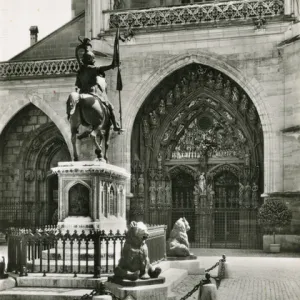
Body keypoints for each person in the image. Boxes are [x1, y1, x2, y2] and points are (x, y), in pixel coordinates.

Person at [75, 50, 121, 132]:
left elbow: (78, 84)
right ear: (89, 59)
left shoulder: (79, 71)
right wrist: (112, 65)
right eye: (93, 59)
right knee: (110, 107)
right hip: (92, 92)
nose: (94, 60)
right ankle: (115, 125)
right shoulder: (92, 68)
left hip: (81, 93)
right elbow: (102, 69)